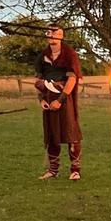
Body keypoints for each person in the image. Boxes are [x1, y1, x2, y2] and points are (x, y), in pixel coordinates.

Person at [36, 25, 83, 181]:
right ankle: (53, 170)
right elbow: (39, 80)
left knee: (70, 132)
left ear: (61, 35)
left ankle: (75, 170)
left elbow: (72, 79)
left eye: (55, 32)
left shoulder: (69, 54)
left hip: (65, 99)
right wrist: (42, 99)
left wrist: (60, 100)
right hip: (48, 98)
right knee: (51, 133)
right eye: (49, 32)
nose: (51, 35)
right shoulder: (43, 56)